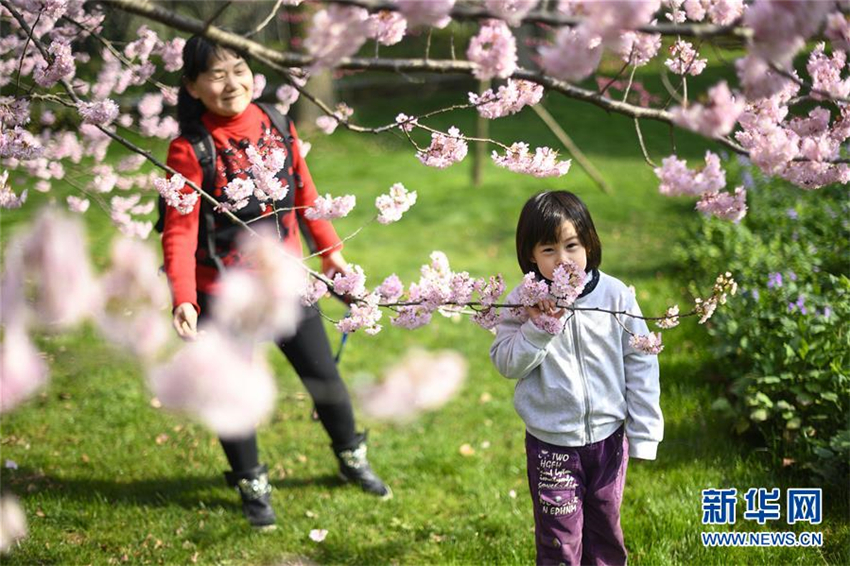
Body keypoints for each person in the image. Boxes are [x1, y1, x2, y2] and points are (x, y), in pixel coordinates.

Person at [161, 35, 390, 529]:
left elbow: (307, 197)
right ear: (193, 87)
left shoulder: (276, 123)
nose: (231, 82)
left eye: (238, 68)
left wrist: (332, 257)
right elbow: (179, 230)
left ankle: (352, 459)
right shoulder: (189, 149)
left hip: (286, 283)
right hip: (223, 293)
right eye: (216, 74)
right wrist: (184, 298)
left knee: (324, 378)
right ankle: (252, 484)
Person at [489, 191, 663, 565]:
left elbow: (641, 360)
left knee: (605, 530)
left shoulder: (614, 295)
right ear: (530, 255)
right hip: (552, 443)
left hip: (608, 440)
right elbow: (506, 363)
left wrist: (645, 431)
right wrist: (538, 328)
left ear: (589, 244)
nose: (564, 260)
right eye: (548, 250)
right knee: (559, 542)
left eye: (572, 245)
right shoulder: (524, 301)